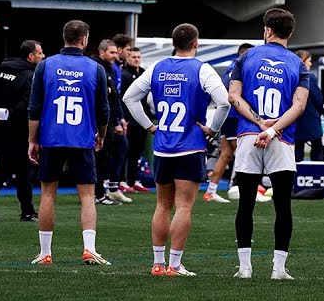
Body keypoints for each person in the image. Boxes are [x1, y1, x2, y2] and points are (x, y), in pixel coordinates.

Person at [122, 23, 230, 276]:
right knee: (183, 206)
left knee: (162, 205)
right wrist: (213, 129)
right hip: (190, 146)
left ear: (172, 44)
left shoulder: (158, 67)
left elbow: (129, 97)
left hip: (162, 146)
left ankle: (157, 264)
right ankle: (174, 265)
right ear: (196, 43)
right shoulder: (202, 69)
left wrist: (149, 126)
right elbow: (224, 102)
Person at [224, 8, 311, 280]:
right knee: (283, 205)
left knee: (246, 203)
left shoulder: (246, 56)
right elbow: (299, 105)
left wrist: (260, 123)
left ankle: (245, 268)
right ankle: (278, 269)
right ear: (290, 33)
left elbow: (233, 97)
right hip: (282, 139)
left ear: (267, 30)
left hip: (249, 136)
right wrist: (273, 130)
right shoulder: (299, 64)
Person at [27, 19, 112, 265]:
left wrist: (32, 140)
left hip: (51, 138)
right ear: (85, 40)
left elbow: (34, 108)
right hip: (82, 138)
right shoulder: (95, 68)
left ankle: (45, 253)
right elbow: (103, 110)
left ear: (64, 37)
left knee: (47, 195)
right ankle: (89, 249)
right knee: (87, 195)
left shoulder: (45, 66)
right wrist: (102, 134)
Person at [0, 40, 45, 223]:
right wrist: (9, 116)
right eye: (40, 53)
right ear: (31, 56)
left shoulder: (1, 71)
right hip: (20, 130)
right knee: (25, 172)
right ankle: (27, 211)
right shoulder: (30, 75)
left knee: (4, 167)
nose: (43, 56)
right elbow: (26, 105)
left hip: (0, 127)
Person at [204, 42, 253, 204]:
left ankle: (211, 191)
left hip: (228, 116)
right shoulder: (239, 69)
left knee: (225, 154)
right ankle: (241, 186)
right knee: (244, 151)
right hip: (234, 115)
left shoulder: (232, 68)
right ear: (245, 55)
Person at [92, 37, 129, 205]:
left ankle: (112, 188)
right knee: (100, 157)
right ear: (102, 52)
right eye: (112, 52)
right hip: (99, 121)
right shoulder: (96, 68)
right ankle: (99, 193)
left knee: (119, 148)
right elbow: (102, 100)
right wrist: (114, 122)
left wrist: (120, 118)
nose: (115, 55)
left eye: (116, 52)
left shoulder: (110, 69)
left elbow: (114, 97)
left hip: (110, 119)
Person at [121, 46, 152, 192]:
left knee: (138, 151)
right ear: (128, 58)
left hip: (142, 118)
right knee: (127, 151)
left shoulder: (144, 74)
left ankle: (134, 179)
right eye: (133, 57)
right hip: (129, 120)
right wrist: (124, 118)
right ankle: (122, 180)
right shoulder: (124, 75)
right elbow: (124, 99)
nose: (136, 59)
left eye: (138, 57)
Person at [292, 50, 324, 163]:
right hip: (310, 120)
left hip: (295, 120)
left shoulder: (291, 77)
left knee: (297, 153)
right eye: (309, 61)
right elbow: (318, 99)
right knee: (317, 152)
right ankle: (317, 176)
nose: (311, 64)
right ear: (303, 61)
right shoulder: (309, 77)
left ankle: (296, 177)